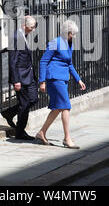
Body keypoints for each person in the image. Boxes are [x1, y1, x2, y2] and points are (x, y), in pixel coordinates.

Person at [35, 20, 86, 149]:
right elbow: (43, 61)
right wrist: (42, 81)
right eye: (71, 34)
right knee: (66, 106)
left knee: (57, 108)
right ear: (66, 32)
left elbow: (69, 63)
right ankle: (67, 138)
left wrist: (78, 79)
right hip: (54, 78)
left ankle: (41, 133)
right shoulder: (55, 42)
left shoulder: (69, 44)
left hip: (63, 78)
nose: (73, 36)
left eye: (74, 34)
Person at [1, 16, 38, 140]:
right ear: (24, 25)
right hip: (20, 77)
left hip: (29, 75)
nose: (33, 30)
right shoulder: (16, 37)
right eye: (31, 27)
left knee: (33, 99)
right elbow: (13, 61)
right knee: (25, 104)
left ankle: (9, 113)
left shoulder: (24, 36)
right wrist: (16, 80)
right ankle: (20, 131)